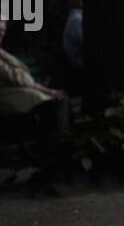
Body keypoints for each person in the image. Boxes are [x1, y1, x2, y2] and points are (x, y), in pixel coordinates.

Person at [0, 17, 71, 149]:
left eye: (3, 31)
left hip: (22, 96)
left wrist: (47, 90)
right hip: (10, 101)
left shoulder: (3, 54)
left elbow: (25, 81)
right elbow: (23, 79)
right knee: (58, 103)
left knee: (60, 98)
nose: (1, 34)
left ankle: (59, 146)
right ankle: (59, 147)